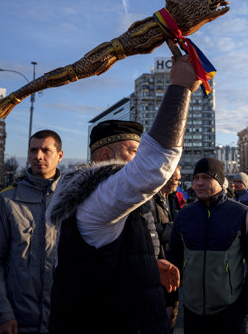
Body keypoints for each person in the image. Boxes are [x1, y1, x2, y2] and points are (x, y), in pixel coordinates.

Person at [46, 55, 198, 334]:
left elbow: (112, 258)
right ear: (105, 155)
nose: (138, 159)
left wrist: (151, 264)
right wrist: (181, 87)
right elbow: (153, 169)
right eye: (133, 152)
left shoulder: (104, 196)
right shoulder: (94, 196)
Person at [167, 157, 248, 334]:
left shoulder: (242, 214)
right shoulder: (184, 216)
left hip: (229, 313)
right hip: (192, 312)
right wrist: (170, 302)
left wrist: (243, 306)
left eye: (205, 177)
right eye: (196, 177)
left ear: (220, 180)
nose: (198, 183)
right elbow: (172, 261)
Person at [0, 129, 64, 334]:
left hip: (64, 319)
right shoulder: (7, 200)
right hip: (18, 321)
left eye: (46, 150)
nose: (38, 156)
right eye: (33, 150)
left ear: (59, 156)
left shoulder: (74, 198)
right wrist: (1, 315)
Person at [150, 165, 183, 332]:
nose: (177, 183)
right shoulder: (151, 199)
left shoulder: (173, 197)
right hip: (157, 261)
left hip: (172, 259)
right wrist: (176, 228)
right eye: (174, 179)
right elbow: (153, 230)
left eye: (178, 179)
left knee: (172, 312)